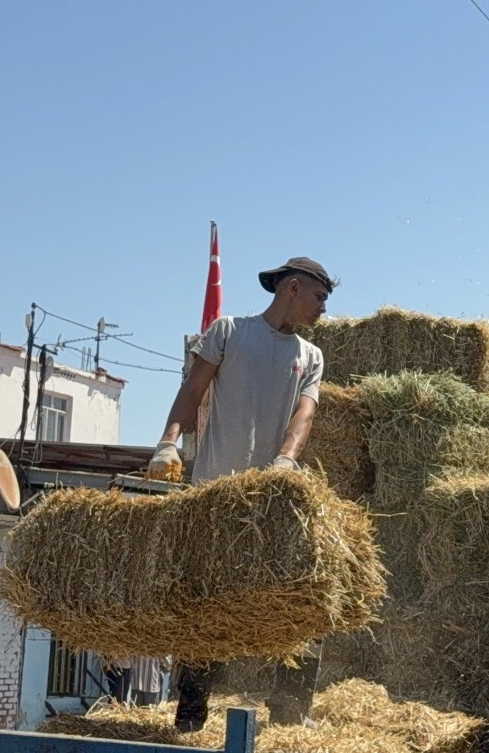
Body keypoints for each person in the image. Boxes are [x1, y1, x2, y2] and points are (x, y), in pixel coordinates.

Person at [142, 256, 336, 732]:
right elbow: (194, 389)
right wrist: (168, 442)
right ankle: (190, 718)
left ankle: (289, 718)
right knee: (202, 603)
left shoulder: (311, 356)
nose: (323, 309)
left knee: (302, 597)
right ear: (292, 287)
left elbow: (304, 416)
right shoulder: (228, 332)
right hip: (213, 493)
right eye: (319, 298)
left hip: (271, 497)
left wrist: (286, 462)